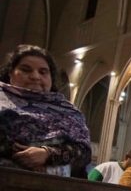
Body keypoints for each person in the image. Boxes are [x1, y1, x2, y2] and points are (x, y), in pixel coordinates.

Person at [0, 44, 91, 176]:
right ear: (10, 73)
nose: (35, 76)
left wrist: (47, 154)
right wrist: (25, 157)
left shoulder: (68, 111)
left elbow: (83, 153)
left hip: (58, 190)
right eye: (26, 70)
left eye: (43, 72)